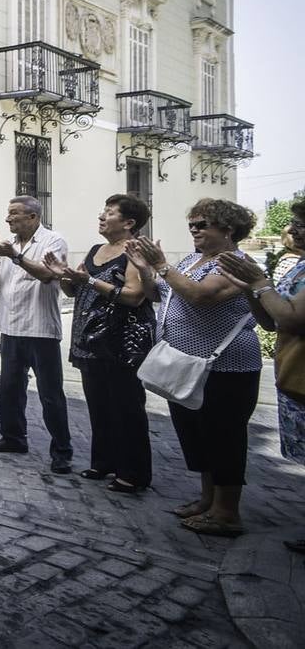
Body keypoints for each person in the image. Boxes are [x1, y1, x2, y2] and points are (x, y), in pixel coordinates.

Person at [128, 199, 261, 536]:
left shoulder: (236, 263)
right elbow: (158, 294)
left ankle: (227, 512)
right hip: (186, 364)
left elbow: (201, 296)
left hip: (225, 367)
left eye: (203, 224)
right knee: (199, 435)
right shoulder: (193, 259)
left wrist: (161, 265)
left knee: (224, 437)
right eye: (192, 223)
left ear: (228, 230)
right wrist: (145, 268)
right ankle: (208, 501)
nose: (194, 229)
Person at [216, 198, 305, 554]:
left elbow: (292, 320)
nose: (292, 229)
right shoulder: (298, 267)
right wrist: (251, 289)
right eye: (295, 222)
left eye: (301, 224)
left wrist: (259, 281)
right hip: (292, 374)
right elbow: (269, 319)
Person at [0, 196, 73, 473]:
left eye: (14, 214)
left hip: (40, 327)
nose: (8, 219)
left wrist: (15, 256)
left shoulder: (53, 241)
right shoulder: (9, 246)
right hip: (10, 326)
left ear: (32, 217)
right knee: (9, 388)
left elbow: (47, 275)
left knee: (50, 393)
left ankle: (62, 451)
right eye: (7, 213)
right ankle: (13, 437)